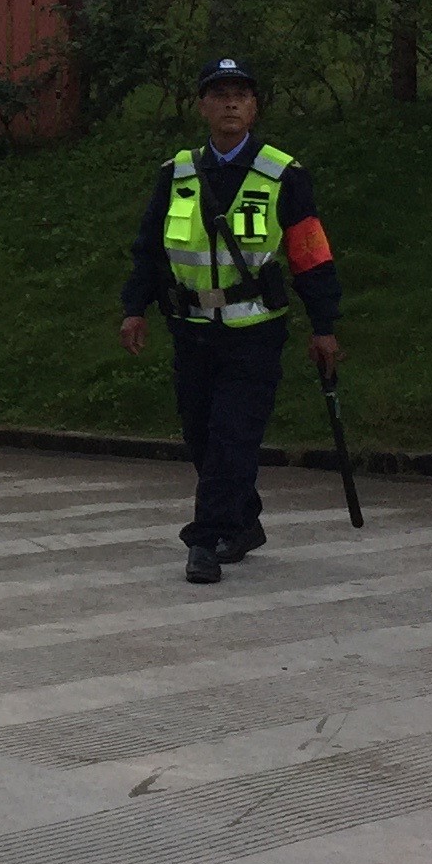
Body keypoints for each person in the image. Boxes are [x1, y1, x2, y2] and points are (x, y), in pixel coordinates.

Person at [118, 57, 343, 585]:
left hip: (255, 332)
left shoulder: (283, 174)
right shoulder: (176, 174)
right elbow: (150, 249)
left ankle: (205, 540)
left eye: (240, 95)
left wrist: (324, 325)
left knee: (231, 434)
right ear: (203, 106)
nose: (231, 104)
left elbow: (311, 256)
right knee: (200, 433)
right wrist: (134, 308)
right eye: (220, 95)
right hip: (192, 329)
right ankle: (243, 522)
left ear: (254, 107)